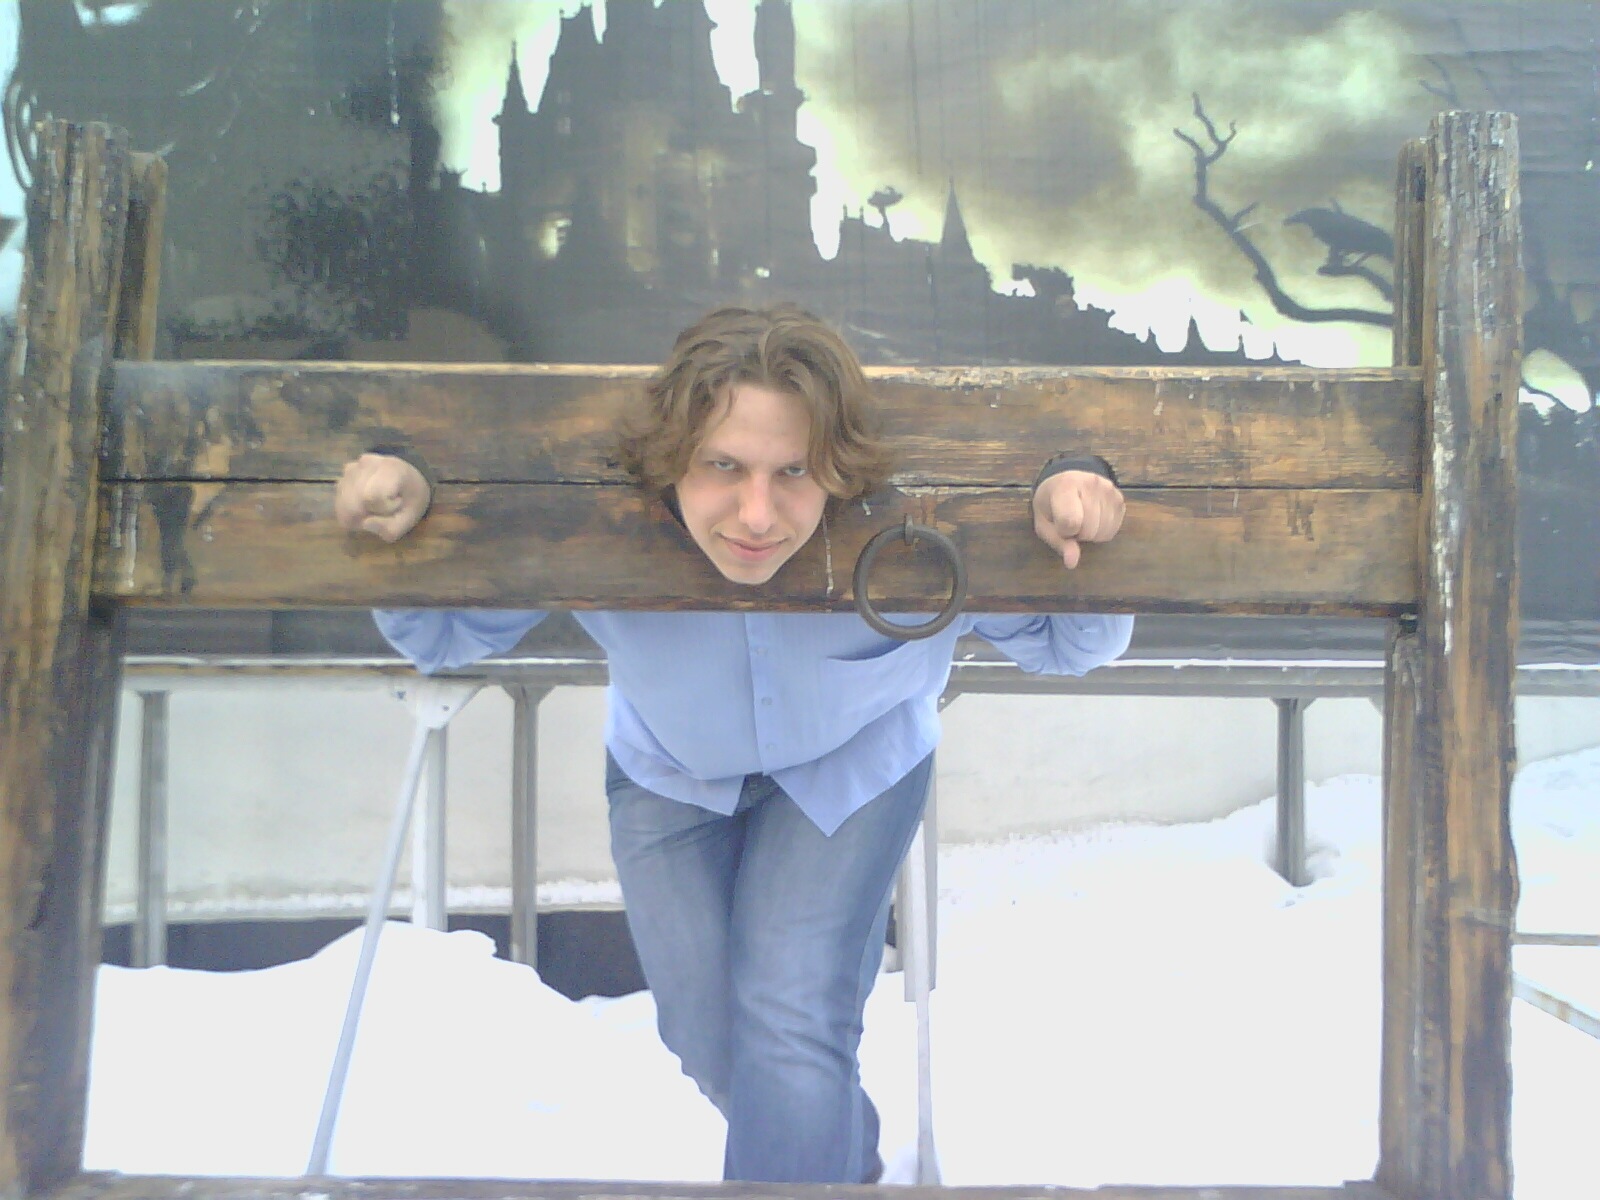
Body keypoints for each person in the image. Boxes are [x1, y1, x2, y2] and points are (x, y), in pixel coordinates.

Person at [334, 304, 1132, 1184]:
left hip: (852, 766)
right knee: (708, 1038)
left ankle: (819, 1137)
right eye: (723, 466)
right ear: (670, 458)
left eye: (794, 472)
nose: (757, 514)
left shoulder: (916, 542)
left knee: (790, 1023)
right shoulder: (590, 528)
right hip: (669, 768)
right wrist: (403, 529)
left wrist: (1085, 519)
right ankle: (843, 1150)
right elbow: (442, 637)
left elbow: (1071, 646)